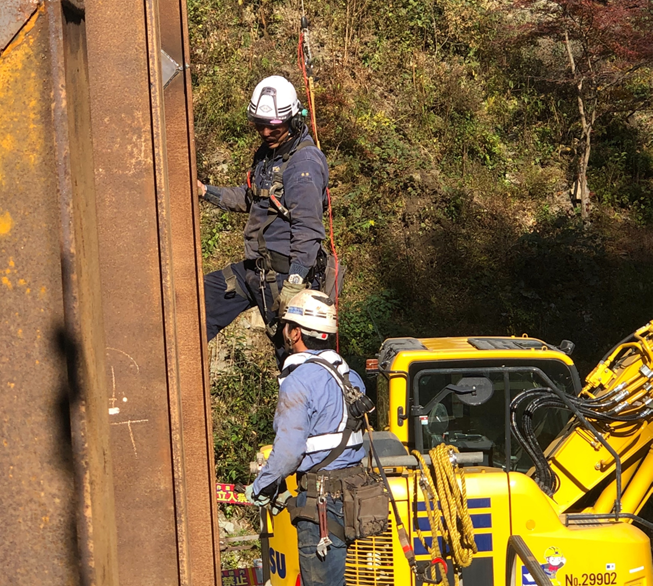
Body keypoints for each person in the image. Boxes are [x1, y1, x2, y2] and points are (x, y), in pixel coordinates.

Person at [198, 75, 329, 365]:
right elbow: (251, 197)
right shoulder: (270, 155)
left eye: (273, 126)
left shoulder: (303, 164)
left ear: (294, 121)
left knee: (297, 361)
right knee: (197, 303)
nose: (266, 132)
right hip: (253, 273)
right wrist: (205, 192)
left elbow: (308, 231)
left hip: (284, 278)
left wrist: (294, 286)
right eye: (259, 125)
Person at [245, 290, 367, 586]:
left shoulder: (298, 382)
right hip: (353, 496)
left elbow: (289, 451)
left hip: (322, 505)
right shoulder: (348, 375)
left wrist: (262, 487)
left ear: (295, 332)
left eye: (286, 326)